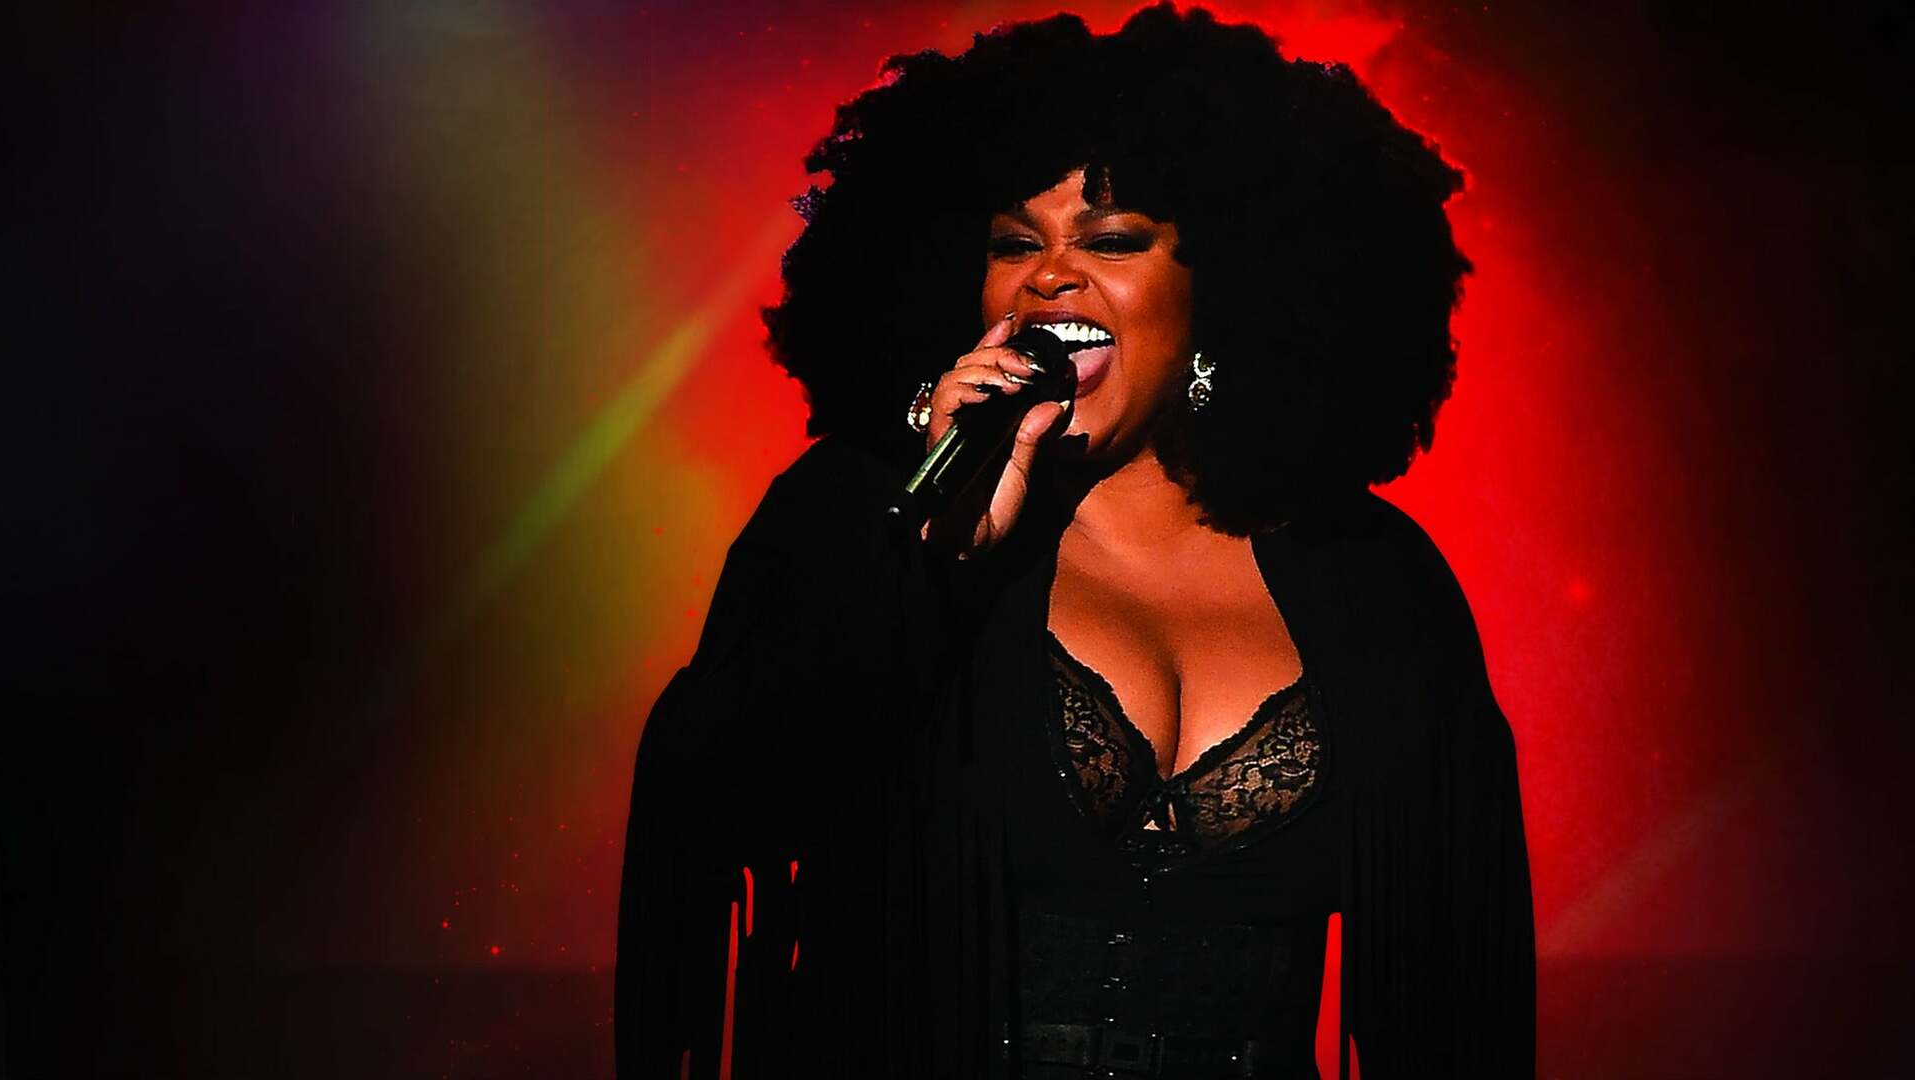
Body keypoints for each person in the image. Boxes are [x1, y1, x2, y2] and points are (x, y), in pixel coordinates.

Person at [616, 5, 1535, 1077]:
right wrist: (927, 561)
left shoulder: (1370, 577)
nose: (1051, 275)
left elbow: (1459, 974)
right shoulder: (869, 509)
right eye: (1015, 244)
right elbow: (713, 802)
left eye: (1111, 240)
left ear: (1223, 288)